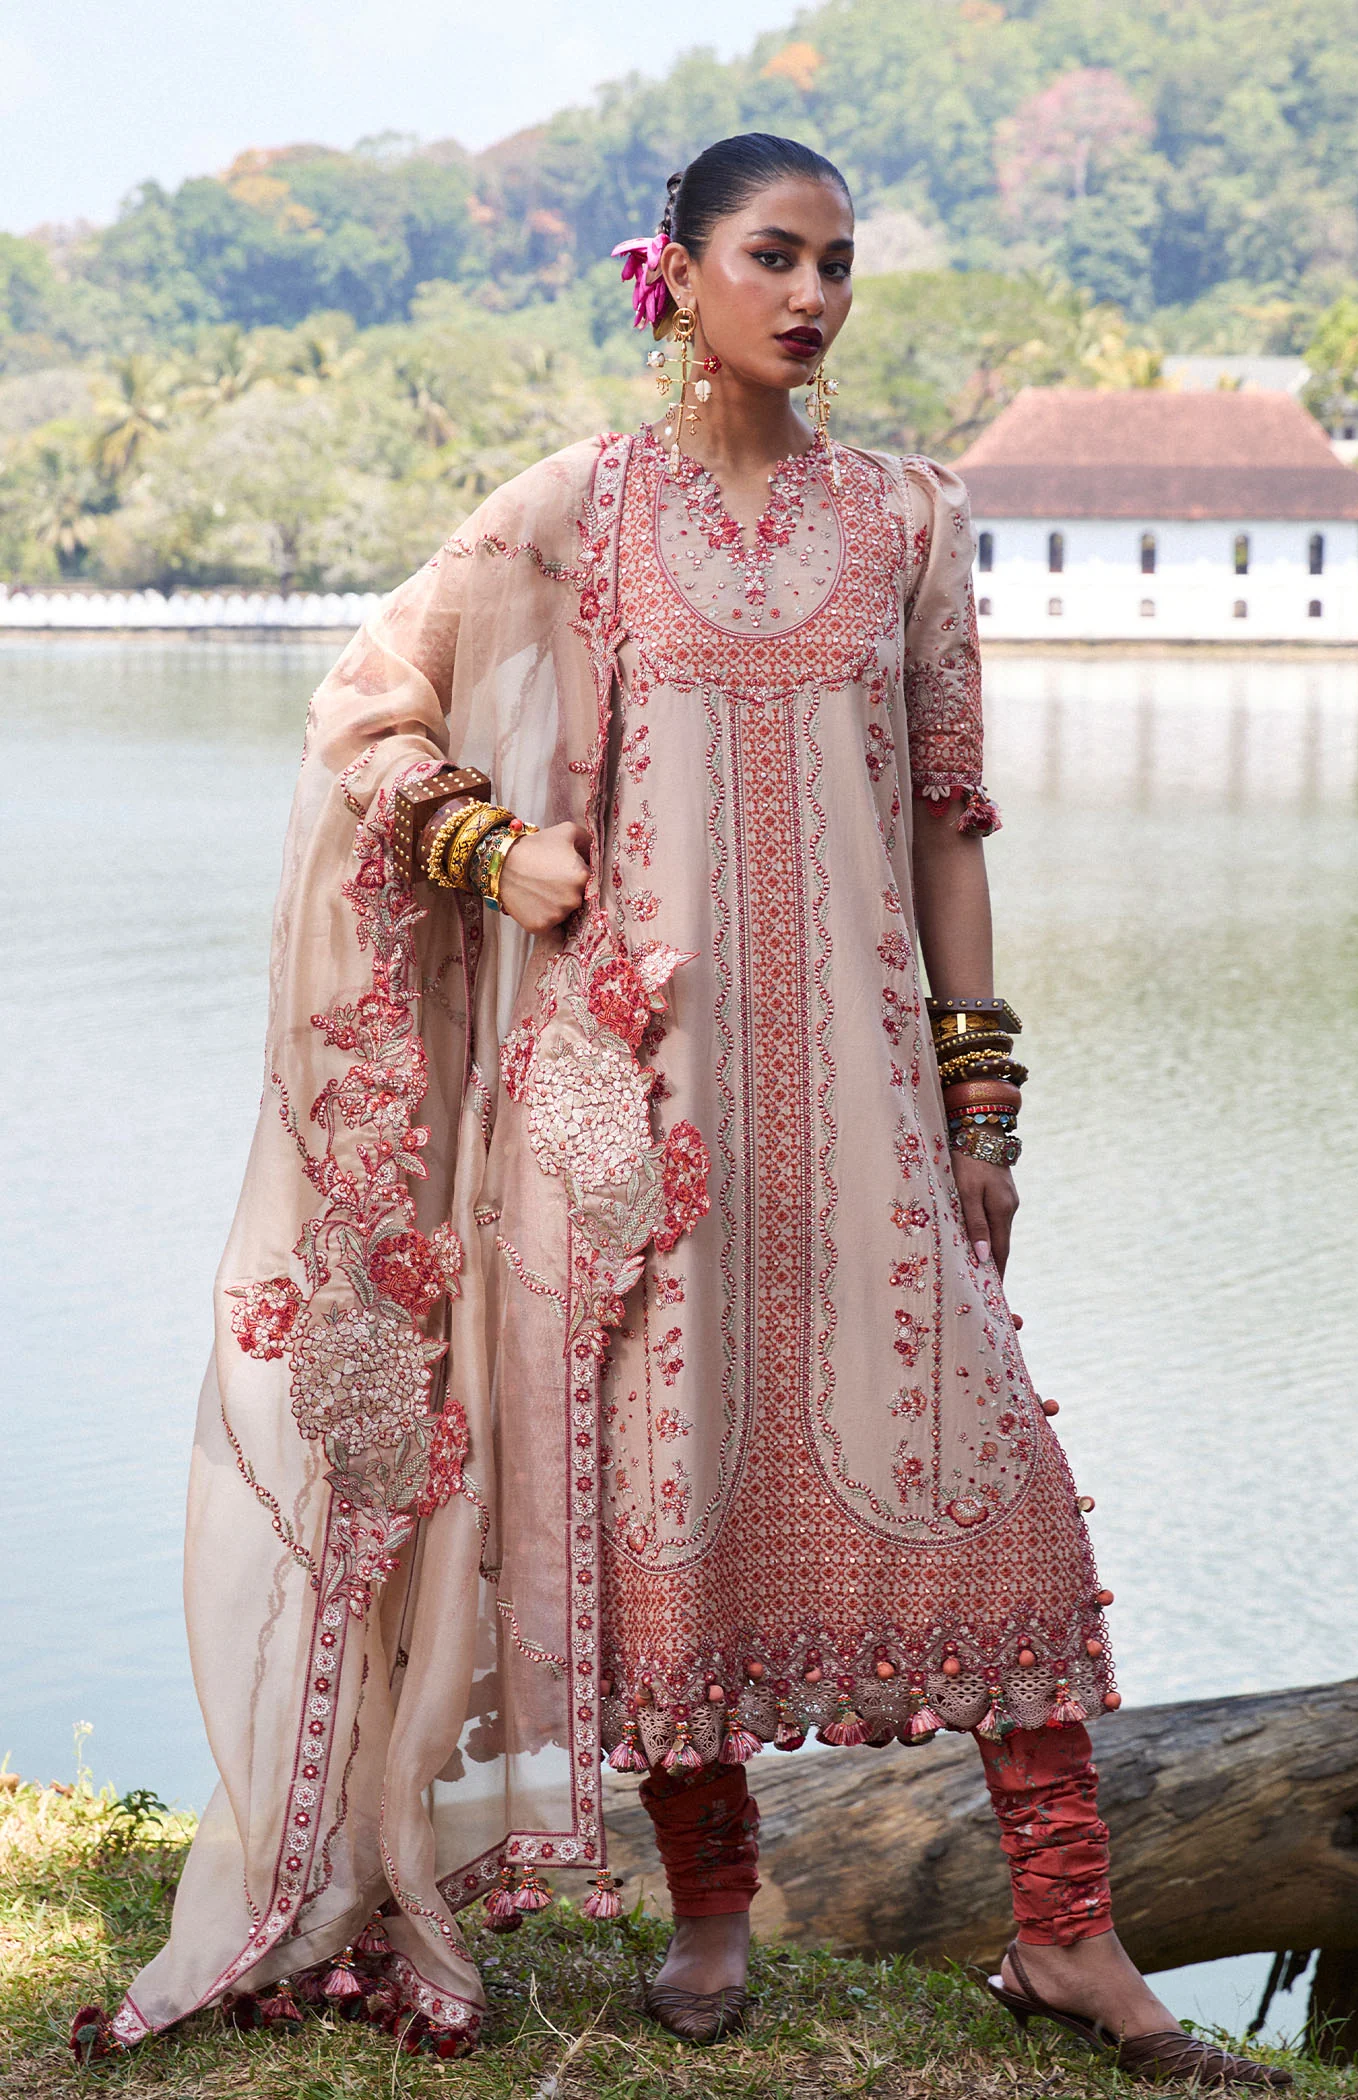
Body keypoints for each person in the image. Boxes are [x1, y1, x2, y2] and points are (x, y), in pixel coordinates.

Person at [75, 134, 1288, 2085]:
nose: (811, 296)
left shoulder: (911, 519)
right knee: (669, 1521)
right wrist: (490, 851)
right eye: (773, 256)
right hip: (632, 1126)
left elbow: (947, 825)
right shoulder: (579, 511)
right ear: (681, 275)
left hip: (873, 1118)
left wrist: (983, 1097)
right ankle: (710, 1919)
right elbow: (367, 704)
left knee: (1010, 1524)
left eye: (838, 263)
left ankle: (1070, 1936)